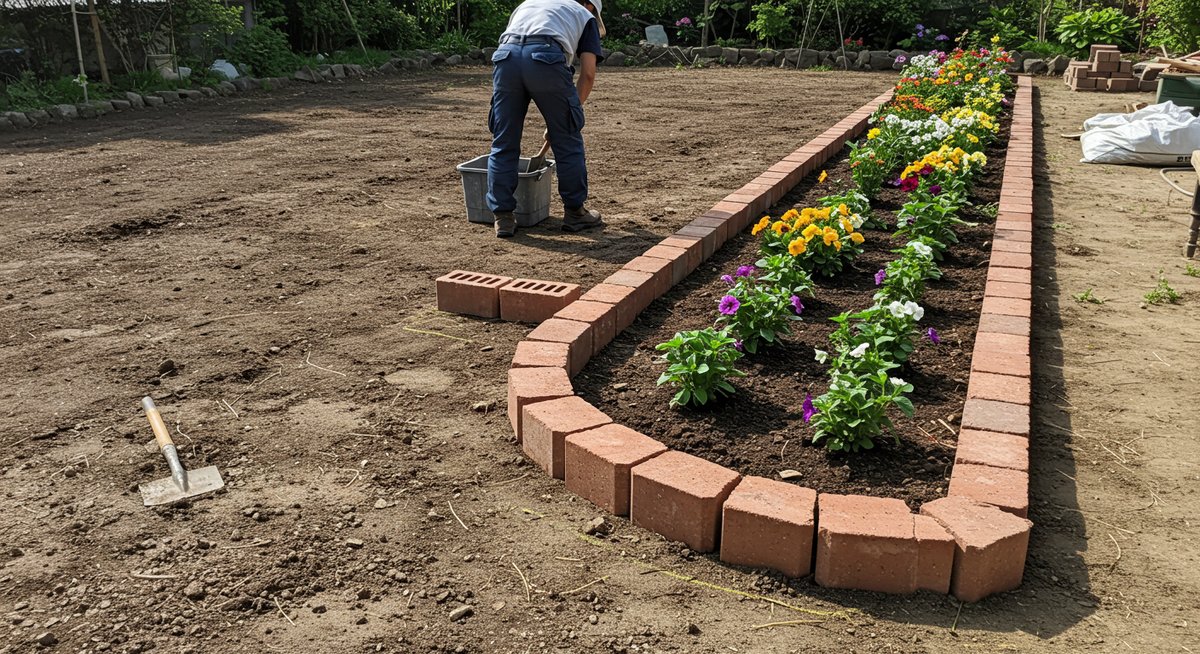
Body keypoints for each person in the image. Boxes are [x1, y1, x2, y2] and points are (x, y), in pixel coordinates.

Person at [485, 0, 606, 238]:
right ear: (590, 5)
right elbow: (589, 74)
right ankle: (575, 213)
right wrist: (568, 117)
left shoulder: (529, 3)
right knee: (568, 139)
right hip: (545, 58)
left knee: (503, 141)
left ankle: (503, 217)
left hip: (505, 57)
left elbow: (516, 41)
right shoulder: (585, 15)